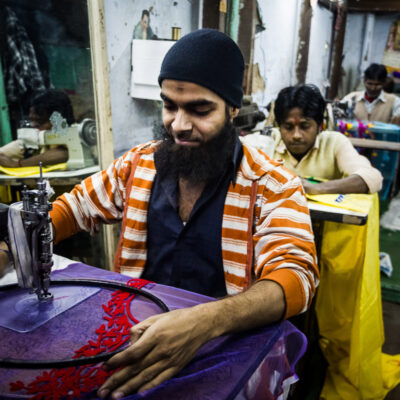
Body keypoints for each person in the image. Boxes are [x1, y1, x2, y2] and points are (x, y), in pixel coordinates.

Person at [3, 30, 319, 398]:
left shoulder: (272, 184)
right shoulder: (138, 166)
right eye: (170, 106)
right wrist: (12, 250)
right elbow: (72, 209)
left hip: (222, 345)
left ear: (233, 108)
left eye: (200, 110)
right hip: (135, 339)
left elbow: (297, 278)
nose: (179, 124)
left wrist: (205, 321)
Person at [272, 84, 383, 195]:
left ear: (320, 126)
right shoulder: (267, 141)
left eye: (305, 126)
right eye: (288, 127)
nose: (296, 135)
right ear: (279, 126)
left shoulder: (334, 143)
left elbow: (371, 176)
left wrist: (317, 188)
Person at [0, 89, 72, 168]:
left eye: (40, 122)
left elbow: (64, 154)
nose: (34, 126)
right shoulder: (34, 140)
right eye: (32, 121)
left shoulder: (74, 136)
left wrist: (18, 164)